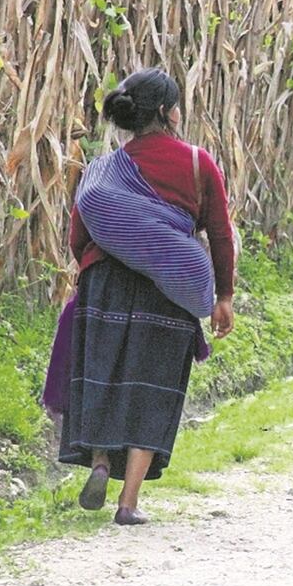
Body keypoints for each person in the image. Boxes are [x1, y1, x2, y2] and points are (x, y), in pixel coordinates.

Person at [59, 68, 236, 525]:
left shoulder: (103, 168)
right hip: (171, 285)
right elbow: (219, 233)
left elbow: (79, 236)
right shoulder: (198, 163)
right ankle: (128, 502)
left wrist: (110, 259)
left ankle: (100, 461)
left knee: (107, 375)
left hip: (106, 282)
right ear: (168, 112)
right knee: (153, 387)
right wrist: (224, 295)